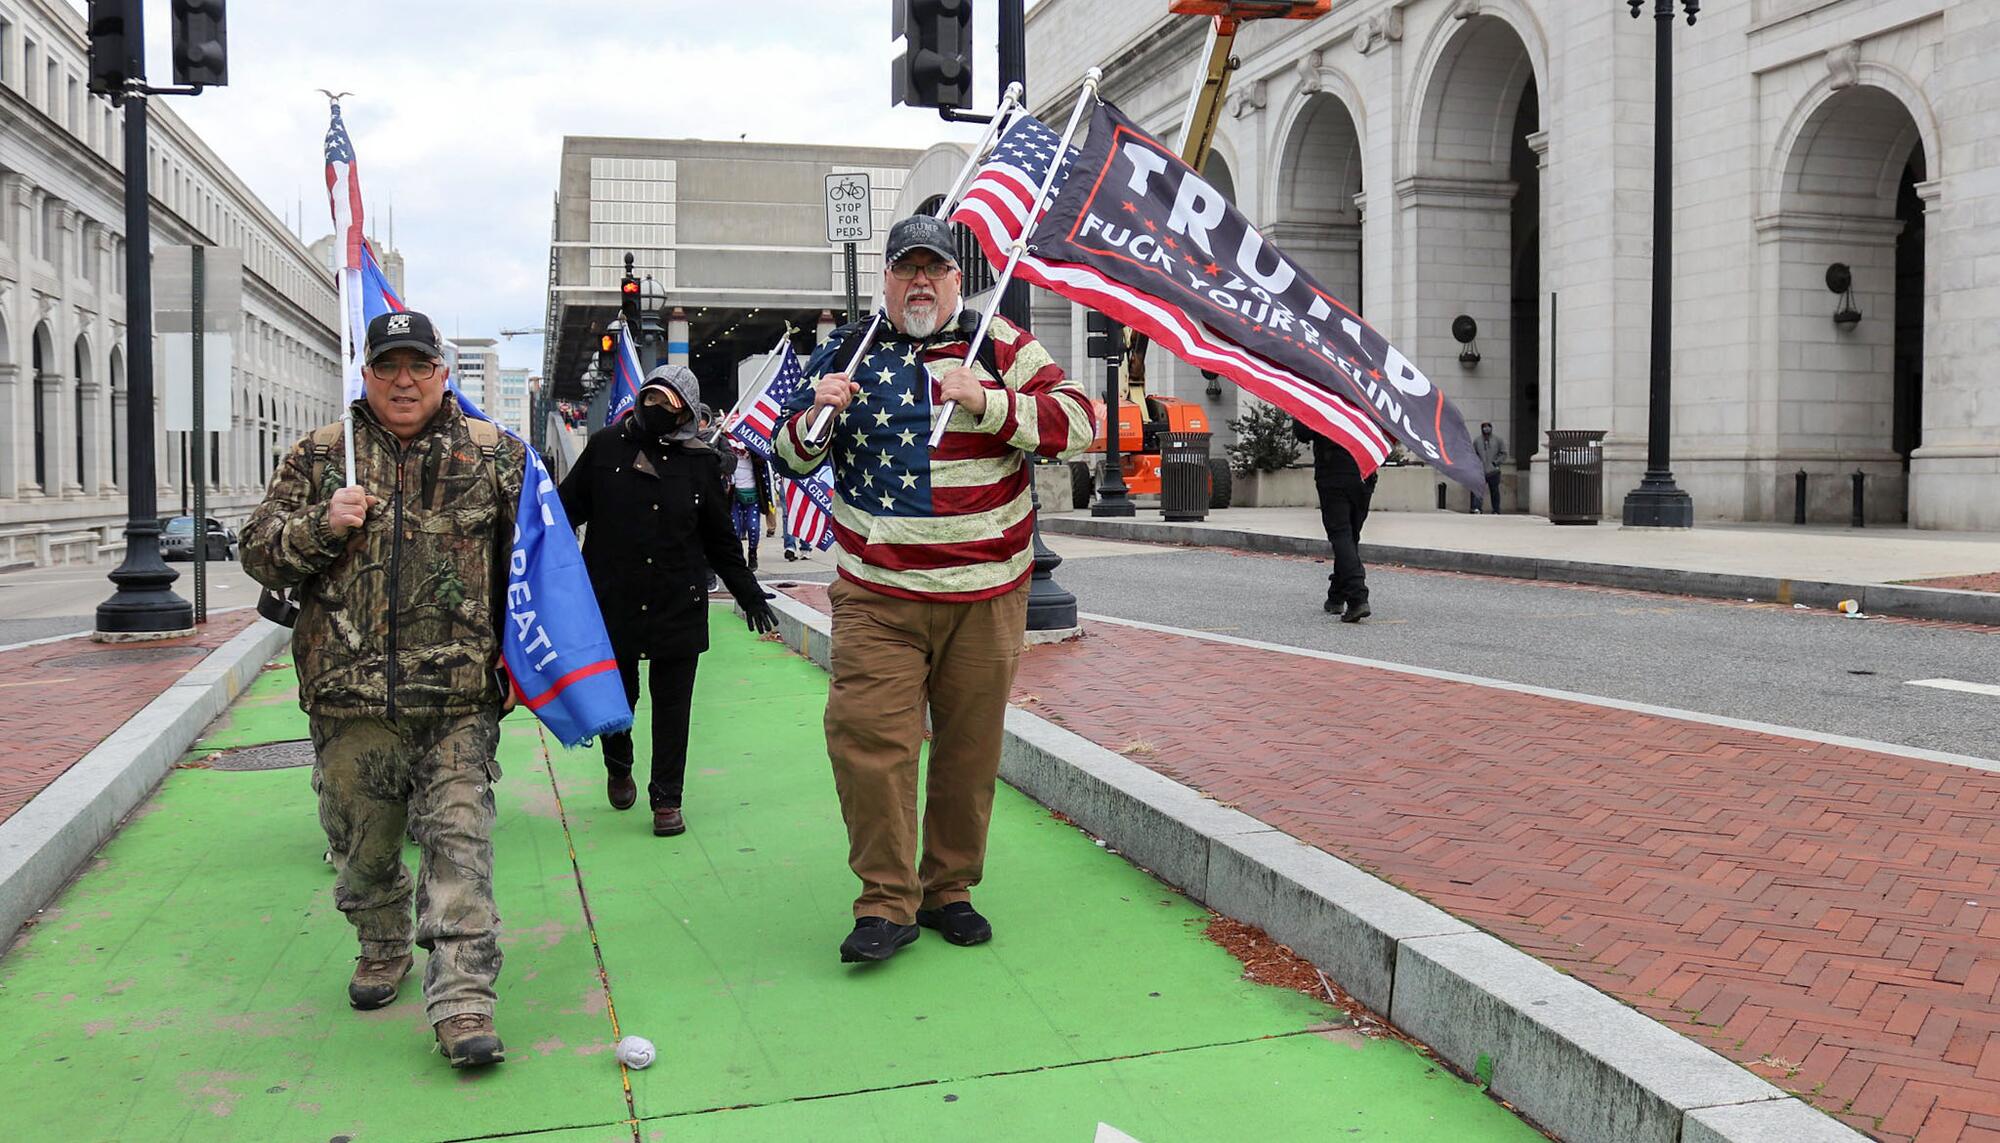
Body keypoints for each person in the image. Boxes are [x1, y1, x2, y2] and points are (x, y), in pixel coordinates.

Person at [775, 215, 1096, 964]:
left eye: (936, 269)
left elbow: (1079, 424)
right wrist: (819, 410)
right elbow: (789, 456)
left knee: (968, 748)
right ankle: (885, 901)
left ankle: (949, 885)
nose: (921, 281)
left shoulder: (1002, 345)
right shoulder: (849, 350)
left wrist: (988, 402)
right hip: (878, 593)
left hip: (986, 592)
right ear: (885, 278)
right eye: (906, 268)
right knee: (869, 743)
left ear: (959, 279)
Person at [241, 309, 519, 1069]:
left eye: (418, 366)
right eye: (388, 366)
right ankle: (382, 938)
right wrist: (322, 525)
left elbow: (534, 571)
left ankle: (463, 998)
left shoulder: (497, 456)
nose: (403, 380)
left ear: (441, 373)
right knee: (362, 848)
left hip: (457, 698)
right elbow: (258, 552)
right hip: (349, 701)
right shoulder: (322, 454)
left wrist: (532, 669)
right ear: (365, 372)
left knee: (460, 842)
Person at [559, 365, 778, 837]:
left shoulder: (701, 463)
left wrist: (750, 594)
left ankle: (667, 800)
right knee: (621, 698)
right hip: (613, 600)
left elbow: (721, 541)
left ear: (685, 411)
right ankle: (618, 764)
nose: (656, 409)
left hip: (678, 599)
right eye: (650, 399)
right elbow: (562, 514)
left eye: (668, 403)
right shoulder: (604, 448)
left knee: (673, 705)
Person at [1294, 417, 1377, 623]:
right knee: (1350, 537)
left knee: (1341, 535)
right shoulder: (1364, 393)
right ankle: (1337, 594)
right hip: (1364, 471)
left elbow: (1302, 432)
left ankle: (1357, 597)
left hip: (1333, 472)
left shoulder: (1321, 394)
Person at [722, 437, 778, 571]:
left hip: (753, 493)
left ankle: (752, 554)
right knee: (735, 530)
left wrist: (751, 450)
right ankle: (737, 558)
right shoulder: (725, 444)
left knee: (753, 527)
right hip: (734, 495)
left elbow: (765, 460)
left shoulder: (754, 445)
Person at [1472, 422, 1507, 514]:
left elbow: (1503, 453)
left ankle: (1496, 509)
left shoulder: (1498, 440)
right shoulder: (1477, 441)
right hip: (1480, 471)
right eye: (1484, 427)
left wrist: (1496, 462)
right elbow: (1473, 454)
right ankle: (1477, 508)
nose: (1486, 429)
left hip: (1493, 470)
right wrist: (1477, 464)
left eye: (1488, 427)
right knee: (1478, 490)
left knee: (1494, 491)